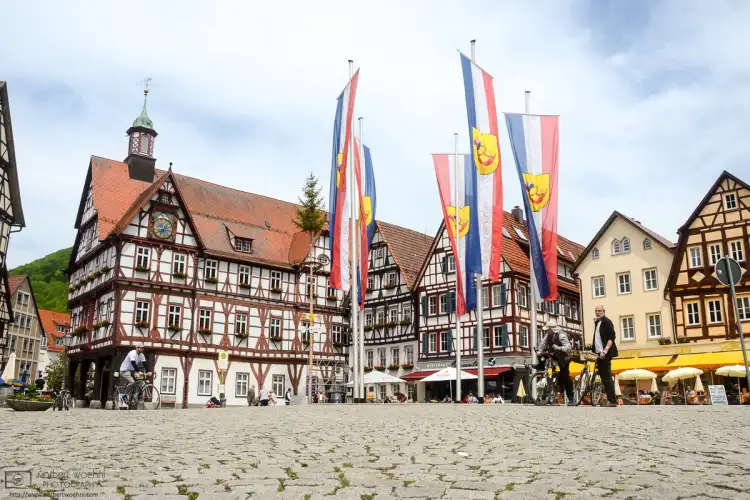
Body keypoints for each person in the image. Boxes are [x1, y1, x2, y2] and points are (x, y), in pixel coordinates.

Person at [536, 319, 575, 406]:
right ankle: (550, 395)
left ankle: (571, 398)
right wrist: (539, 350)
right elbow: (543, 343)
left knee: (565, 376)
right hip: (555, 355)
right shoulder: (548, 334)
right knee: (548, 367)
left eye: (547, 329)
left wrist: (559, 348)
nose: (546, 330)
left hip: (565, 357)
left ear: (552, 329)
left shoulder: (561, 335)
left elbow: (568, 347)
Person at [593, 305, 619, 407]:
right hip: (598, 353)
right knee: (603, 377)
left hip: (605, 353)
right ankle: (607, 399)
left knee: (607, 377)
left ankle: (612, 400)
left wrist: (605, 350)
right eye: (596, 311)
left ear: (604, 311)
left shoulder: (607, 322)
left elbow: (611, 337)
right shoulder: (597, 322)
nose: (598, 312)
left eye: (600, 311)